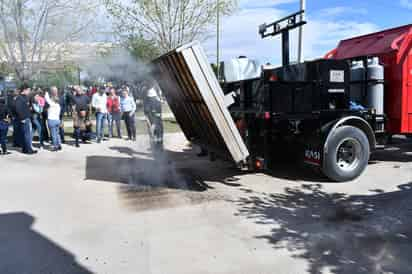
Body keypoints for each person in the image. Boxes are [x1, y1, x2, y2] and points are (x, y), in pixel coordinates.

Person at [15, 84, 37, 154]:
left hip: (27, 118)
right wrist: (22, 118)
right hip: (24, 119)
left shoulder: (25, 97)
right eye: (28, 90)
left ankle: (25, 149)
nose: (29, 91)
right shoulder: (19, 98)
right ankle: (28, 150)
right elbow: (17, 109)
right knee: (27, 135)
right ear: (24, 90)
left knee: (25, 135)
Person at [45, 87, 62, 152]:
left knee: (53, 134)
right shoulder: (58, 106)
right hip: (57, 120)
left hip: (51, 120)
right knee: (57, 133)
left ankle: (55, 146)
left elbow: (47, 98)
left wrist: (47, 92)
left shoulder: (51, 104)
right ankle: (59, 144)